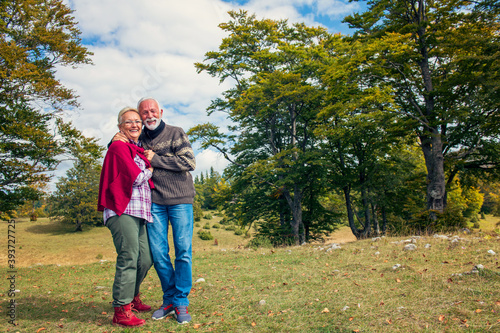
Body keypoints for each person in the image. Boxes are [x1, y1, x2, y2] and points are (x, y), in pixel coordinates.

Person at [112, 97, 196, 324]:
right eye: (143, 114)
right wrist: (114, 138)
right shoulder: (140, 138)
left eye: (152, 111)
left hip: (180, 200)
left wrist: (157, 159)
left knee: (183, 252)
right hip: (155, 203)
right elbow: (122, 152)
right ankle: (168, 299)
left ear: (160, 111)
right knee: (159, 254)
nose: (148, 116)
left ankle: (180, 301)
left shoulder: (175, 132)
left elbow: (189, 162)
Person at [98, 107, 154, 327]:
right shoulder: (119, 147)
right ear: (120, 127)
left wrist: (147, 160)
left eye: (137, 122)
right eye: (129, 122)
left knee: (146, 259)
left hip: (139, 212)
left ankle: (132, 297)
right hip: (122, 210)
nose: (135, 125)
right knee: (129, 257)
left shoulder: (134, 148)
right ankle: (121, 310)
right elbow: (138, 177)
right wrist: (151, 167)